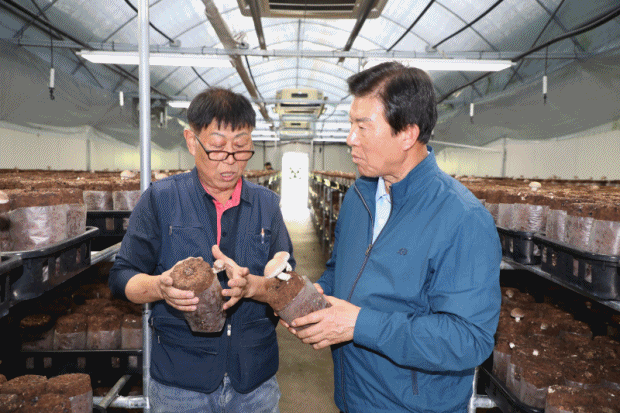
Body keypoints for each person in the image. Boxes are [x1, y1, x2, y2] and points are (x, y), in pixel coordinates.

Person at [286, 62, 502, 413]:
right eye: (351, 124)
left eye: (363, 126)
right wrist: (315, 297)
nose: (350, 138)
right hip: (353, 398)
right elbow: (341, 268)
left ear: (407, 134)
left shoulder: (462, 218)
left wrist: (359, 325)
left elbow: (468, 340)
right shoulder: (358, 197)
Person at [108, 87, 295, 413]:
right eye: (218, 148)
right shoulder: (161, 199)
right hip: (181, 383)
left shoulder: (266, 204)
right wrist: (159, 287)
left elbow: (288, 286)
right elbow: (121, 276)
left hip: (254, 382)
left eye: (241, 148)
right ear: (192, 141)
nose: (231, 161)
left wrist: (256, 285)